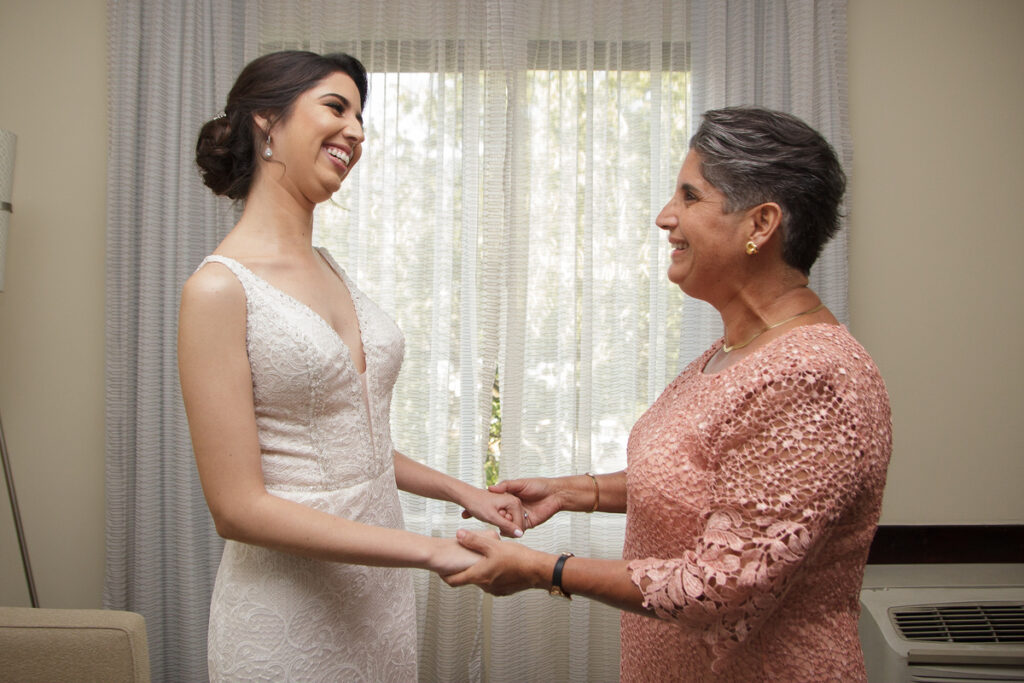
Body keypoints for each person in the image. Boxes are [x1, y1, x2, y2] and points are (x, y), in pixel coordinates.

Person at [445, 106, 892, 682]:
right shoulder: (734, 349)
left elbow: (719, 587)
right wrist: (575, 491)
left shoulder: (809, 378)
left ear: (760, 224)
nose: (665, 217)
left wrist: (544, 570)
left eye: (689, 197)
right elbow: (717, 485)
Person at [179, 50, 525, 681]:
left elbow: (350, 442)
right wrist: (430, 551)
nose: (358, 132)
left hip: (378, 604)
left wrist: (461, 491)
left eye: (361, 118)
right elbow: (238, 508)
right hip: (286, 612)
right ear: (268, 122)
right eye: (336, 108)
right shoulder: (217, 290)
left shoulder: (331, 268)